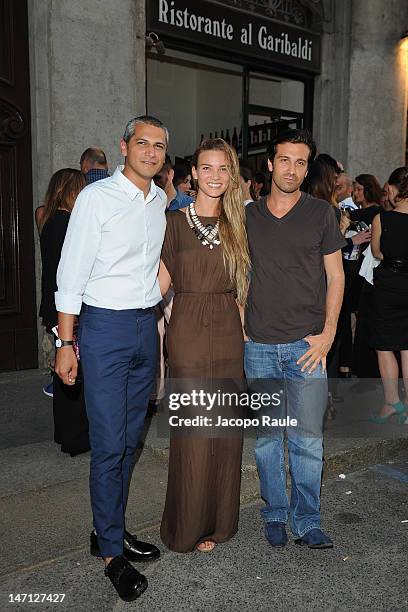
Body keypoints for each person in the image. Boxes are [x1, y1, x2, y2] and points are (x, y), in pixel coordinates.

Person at [54, 116, 167, 602]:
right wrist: (64, 343)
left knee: (128, 442)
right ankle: (109, 557)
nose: (151, 152)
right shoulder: (96, 199)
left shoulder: (161, 201)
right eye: (142, 143)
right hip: (103, 329)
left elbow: (156, 265)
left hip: (145, 328)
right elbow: (71, 271)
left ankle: (109, 529)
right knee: (107, 443)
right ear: (125, 147)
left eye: (160, 146)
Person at [244, 129, 345, 549]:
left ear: (308, 168)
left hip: (307, 347)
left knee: (307, 439)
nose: (292, 169)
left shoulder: (321, 212)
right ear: (270, 164)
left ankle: (307, 520)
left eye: (301, 162)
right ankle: (274, 512)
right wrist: (242, 326)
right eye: (284, 160)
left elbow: (336, 276)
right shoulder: (247, 216)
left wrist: (327, 336)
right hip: (260, 346)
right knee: (268, 439)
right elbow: (237, 275)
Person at [158, 138, 250, 553]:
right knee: (195, 433)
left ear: (232, 176)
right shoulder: (173, 224)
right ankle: (187, 525)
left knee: (226, 432)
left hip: (229, 332)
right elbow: (156, 287)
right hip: (189, 333)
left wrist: (247, 340)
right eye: (206, 168)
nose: (214, 176)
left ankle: (219, 523)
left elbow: (243, 294)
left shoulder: (239, 227)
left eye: (223, 169)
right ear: (192, 173)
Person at [39, 169, 89, 453]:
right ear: (71, 190)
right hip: (67, 309)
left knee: (63, 372)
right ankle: (76, 438)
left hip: (52, 306)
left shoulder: (48, 220)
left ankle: (65, 435)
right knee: (73, 373)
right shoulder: (68, 223)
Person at [369, 166, 408, 423]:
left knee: (385, 346)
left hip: (389, 284)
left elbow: (377, 252)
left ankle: (391, 402)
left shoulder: (381, 219)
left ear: (393, 189)